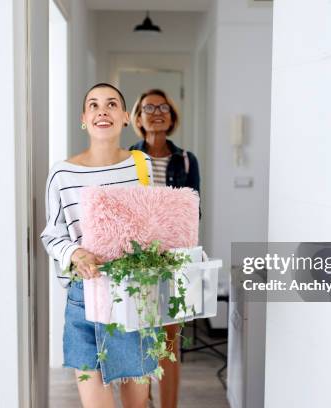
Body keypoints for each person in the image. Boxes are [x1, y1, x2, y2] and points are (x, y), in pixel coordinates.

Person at [41, 83, 155, 408]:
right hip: (85, 299)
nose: (101, 110)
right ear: (83, 118)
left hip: (135, 294)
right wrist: (74, 253)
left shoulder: (141, 165)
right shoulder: (62, 173)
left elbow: (156, 223)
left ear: (124, 118)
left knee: (137, 404)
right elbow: (52, 234)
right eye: (93, 105)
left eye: (111, 104)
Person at [129, 89, 201, 408]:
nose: (157, 112)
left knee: (170, 340)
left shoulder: (186, 160)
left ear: (172, 117)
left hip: (174, 259)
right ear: (138, 117)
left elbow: (193, 211)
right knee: (142, 340)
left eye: (164, 107)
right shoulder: (126, 158)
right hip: (134, 259)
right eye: (149, 108)